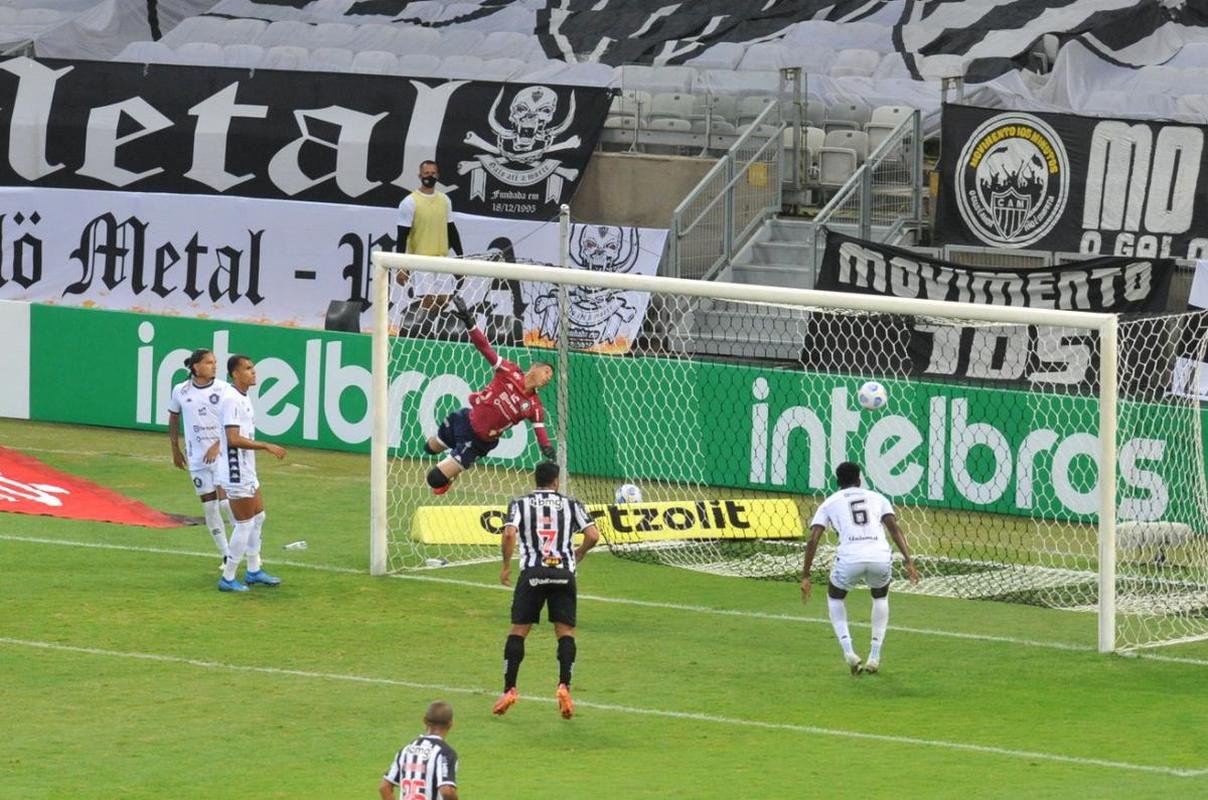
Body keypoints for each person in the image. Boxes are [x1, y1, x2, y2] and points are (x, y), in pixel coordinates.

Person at [492, 461, 599, 719]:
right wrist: (579, 553)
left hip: (533, 572)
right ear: (556, 481)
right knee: (565, 633)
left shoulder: (520, 503)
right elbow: (593, 535)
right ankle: (564, 685)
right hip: (563, 573)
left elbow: (509, 534)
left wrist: (506, 565)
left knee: (519, 631)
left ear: (535, 480)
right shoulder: (572, 504)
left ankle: (510, 689)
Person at [424, 296, 556, 495]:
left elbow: (541, 432)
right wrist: (470, 322)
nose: (548, 378)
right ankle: (453, 459)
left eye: (550, 377)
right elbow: (485, 347)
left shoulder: (534, 406)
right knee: (429, 448)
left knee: (434, 479)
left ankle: (453, 470)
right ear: (534, 368)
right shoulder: (509, 370)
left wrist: (547, 449)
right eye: (547, 372)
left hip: (478, 442)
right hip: (463, 419)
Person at [800, 461, 919, 675]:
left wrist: (806, 574)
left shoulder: (828, 503)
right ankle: (875, 656)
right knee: (880, 598)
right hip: (879, 556)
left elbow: (813, 539)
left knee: (835, 598)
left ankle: (849, 652)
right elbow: (894, 529)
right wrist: (908, 560)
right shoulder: (878, 498)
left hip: (850, 558)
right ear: (859, 479)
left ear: (837, 482)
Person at [216, 354, 287, 593]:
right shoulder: (231, 400)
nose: (253, 372)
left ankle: (254, 570)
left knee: (258, 517)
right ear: (235, 374)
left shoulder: (242, 396)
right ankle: (228, 577)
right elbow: (233, 439)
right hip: (236, 471)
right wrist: (266, 445)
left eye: (253, 368)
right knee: (244, 524)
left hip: (247, 467)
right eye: (247, 368)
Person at [167, 349, 235, 568]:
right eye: (209, 363)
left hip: (221, 455)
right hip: (197, 459)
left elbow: (233, 421)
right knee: (209, 508)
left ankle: (246, 549)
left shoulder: (224, 389)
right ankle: (226, 554)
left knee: (226, 504)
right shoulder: (181, 390)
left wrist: (217, 444)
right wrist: (175, 449)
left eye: (215, 362)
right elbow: (173, 418)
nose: (214, 366)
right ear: (195, 366)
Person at [395, 160, 464, 311]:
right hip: (421, 260)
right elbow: (402, 236)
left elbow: (451, 229)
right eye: (426, 173)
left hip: (441, 258)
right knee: (428, 301)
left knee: (445, 299)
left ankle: (434, 329)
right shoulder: (409, 202)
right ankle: (422, 331)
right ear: (420, 175)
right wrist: (400, 266)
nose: (430, 176)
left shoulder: (445, 200)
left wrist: (460, 257)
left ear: (438, 175)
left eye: (433, 173)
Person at [379, 701, 459, 800]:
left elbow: (384, 787)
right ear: (451, 723)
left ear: (425, 721)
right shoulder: (445, 753)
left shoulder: (406, 750)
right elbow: (447, 790)